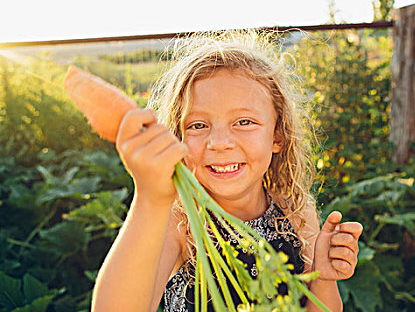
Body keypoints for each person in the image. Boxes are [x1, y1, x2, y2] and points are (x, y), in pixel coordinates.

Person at [91, 31, 363, 312]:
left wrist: (325, 277)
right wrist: (150, 198)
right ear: (178, 138)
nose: (219, 143)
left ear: (277, 136)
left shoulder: (296, 213)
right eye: (198, 125)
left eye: (244, 121)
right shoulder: (179, 224)